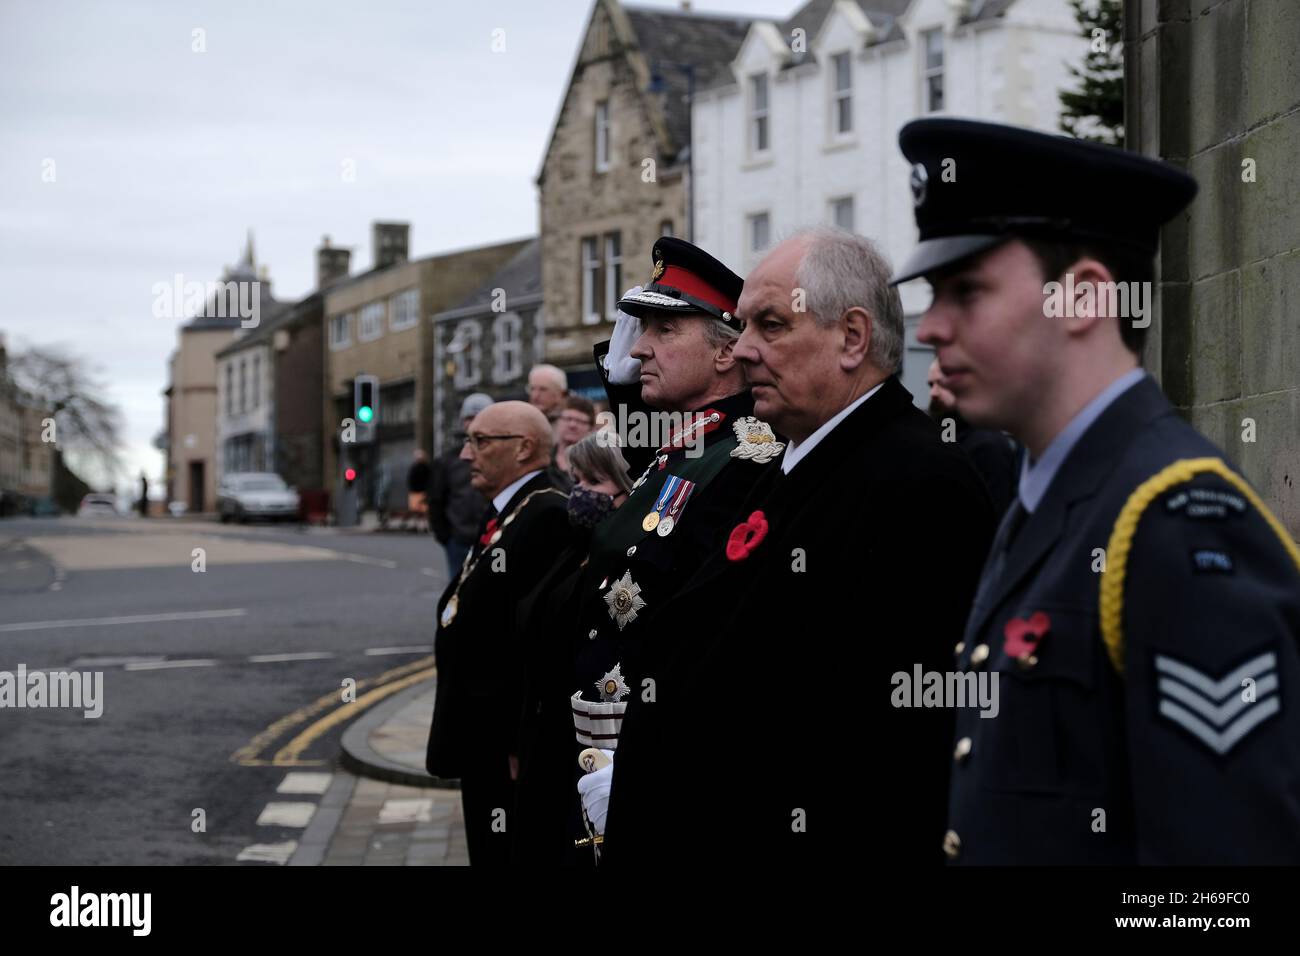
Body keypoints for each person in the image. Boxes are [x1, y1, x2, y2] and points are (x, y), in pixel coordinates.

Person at [895, 117, 1300, 863]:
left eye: (966, 290)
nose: (932, 329)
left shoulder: (1176, 520)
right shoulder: (1049, 494)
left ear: (1081, 298)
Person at [598, 227, 996, 865]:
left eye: (771, 325)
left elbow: (888, 750)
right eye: (744, 326)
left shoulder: (920, 482)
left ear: (853, 337)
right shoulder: (789, 460)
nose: (745, 350)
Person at [551, 236, 786, 859]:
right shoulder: (679, 449)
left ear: (726, 350)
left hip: (662, 755)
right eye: (642, 327)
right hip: (605, 743)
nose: (642, 346)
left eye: (665, 329)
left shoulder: (746, 457)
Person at [425, 400, 571, 866]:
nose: (467, 454)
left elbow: (538, 640)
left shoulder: (546, 514)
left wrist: (517, 738)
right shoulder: (512, 510)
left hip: (504, 741)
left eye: (481, 441)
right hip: (481, 734)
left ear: (525, 448)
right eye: (469, 441)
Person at [513, 431, 633, 864]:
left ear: (627, 486)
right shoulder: (578, 546)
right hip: (544, 735)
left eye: (593, 482)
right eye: (575, 480)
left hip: (581, 743)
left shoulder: (620, 560)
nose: (580, 493)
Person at [927, 357, 1019, 516]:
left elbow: (996, 513)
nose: (933, 393)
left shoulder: (987, 445)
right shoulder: (944, 435)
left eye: (941, 384)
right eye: (931, 384)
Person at [429, 393, 493, 575]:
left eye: (479, 417)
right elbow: (436, 500)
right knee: (458, 594)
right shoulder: (447, 461)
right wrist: (446, 537)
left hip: (492, 540)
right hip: (458, 541)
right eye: (469, 418)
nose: (474, 423)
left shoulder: (501, 458)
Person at [555, 395, 596, 473]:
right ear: (558, 421)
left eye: (579, 421)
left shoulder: (598, 464)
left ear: (591, 429)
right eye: (568, 419)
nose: (572, 425)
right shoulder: (543, 459)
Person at [406, 449, 431, 518]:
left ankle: (422, 524)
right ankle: (419, 524)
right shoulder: (415, 468)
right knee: (417, 510)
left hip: (422, 492)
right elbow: (410, 480)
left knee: (422, 510)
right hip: (417, 492)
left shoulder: (426, 468)